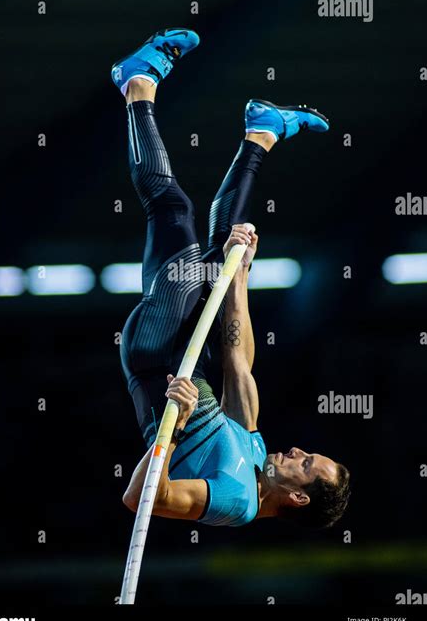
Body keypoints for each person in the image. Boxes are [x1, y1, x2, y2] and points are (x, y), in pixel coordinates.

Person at [112, 28, 350, 529]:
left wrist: (170, 433)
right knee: (221, 247)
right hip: (186, 346)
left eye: (306, 465)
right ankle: (262, 132)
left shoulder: (236, 502)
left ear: (299, 498)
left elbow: (142, 499)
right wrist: (239, 276)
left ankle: (137, 84)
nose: (298, 451)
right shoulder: (253, 445)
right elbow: (238, 362)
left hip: (157, 359)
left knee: (174, 210)